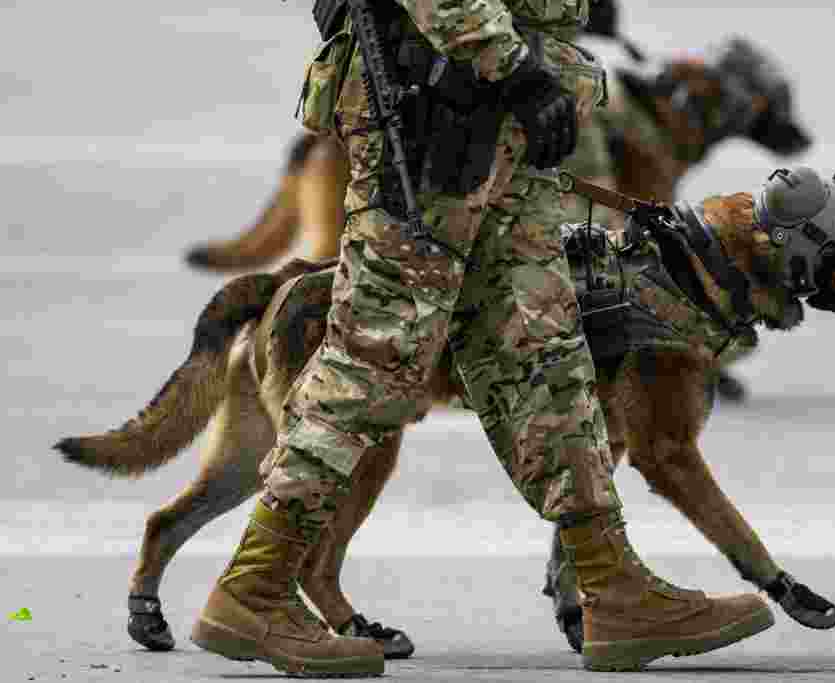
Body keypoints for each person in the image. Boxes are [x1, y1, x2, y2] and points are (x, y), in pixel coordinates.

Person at [190, 0, 772, 676]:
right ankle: (255, 586)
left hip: (510, 127)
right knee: (374, 358)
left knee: (545, 348)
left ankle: (611, 585)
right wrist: (514, 67)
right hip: (440, 115)